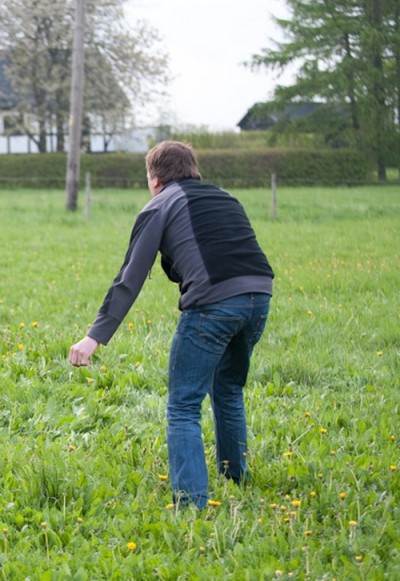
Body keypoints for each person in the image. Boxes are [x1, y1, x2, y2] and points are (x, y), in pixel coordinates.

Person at [68, 140, 274, 509]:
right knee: (228, 389)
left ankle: (191, 503)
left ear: (154, 178)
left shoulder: (160, 204)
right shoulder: (226, 199)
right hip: (260, 296)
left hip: (212, 307)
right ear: (194, 170)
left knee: (183, 405)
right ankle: (235, 477)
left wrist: (94, 337)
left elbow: (130, 278)